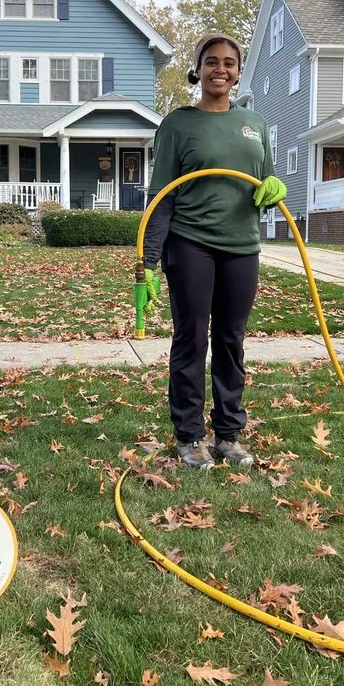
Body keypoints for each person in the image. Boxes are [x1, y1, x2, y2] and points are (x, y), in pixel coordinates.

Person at [142, 34, 287, 469]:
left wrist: (273, 188)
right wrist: (149, 259)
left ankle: (228, 435)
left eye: (229, 63)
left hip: (242, 246)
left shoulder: (255, 124)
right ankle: (189, 436)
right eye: (211, 62)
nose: (220, 69)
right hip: (190, 244)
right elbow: (161, 195)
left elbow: (265, 180)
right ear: (198, 69)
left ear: (239, 71)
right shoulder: (177, 125)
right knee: (191, 339)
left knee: (231, 340)